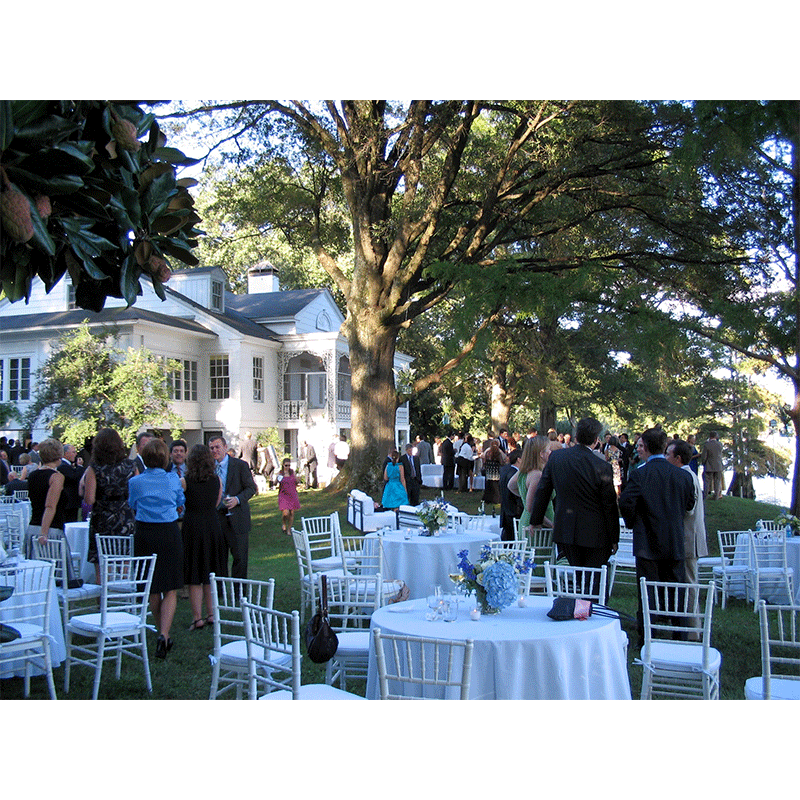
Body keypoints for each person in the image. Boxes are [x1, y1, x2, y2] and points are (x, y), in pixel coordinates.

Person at [618, 427, 695, 645]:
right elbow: (690, 503)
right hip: (674, 540)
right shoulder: (683, 476)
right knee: (676, 590)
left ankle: (647, 637)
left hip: (647, 542)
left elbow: (626, 501)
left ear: (648, 447)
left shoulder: (641, 474)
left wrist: (633, 522)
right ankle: (679, 635)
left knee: (647, 592)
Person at [529, 418, 619, 574]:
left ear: (576, 437)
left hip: (566, 529)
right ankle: (588, 599)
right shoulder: (602, 467)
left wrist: (536, 520)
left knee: (579, 575)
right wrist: (614, 538)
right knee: (593, 580)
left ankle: (579, 599)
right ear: (597, 440)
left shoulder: (557, 458)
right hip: (595, 532)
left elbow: (543, 491)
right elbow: (609, 505)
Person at [128, 438, 185, 658]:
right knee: (170, 586)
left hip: (145, 534)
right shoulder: (173, 479)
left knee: (151, 584)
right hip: (168, 533)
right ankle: (164, 632)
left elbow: (132, 504)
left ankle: (160, 629)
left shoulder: (136, 482)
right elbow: (181, 501)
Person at [82, 428, 137, 585]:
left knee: (102, 568)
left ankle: (103, 604)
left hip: (103, 518)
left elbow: (89, 499)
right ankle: (125, 598)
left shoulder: (94, 468)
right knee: (126, 561)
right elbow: (136, 494)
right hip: (125, 517)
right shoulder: (131, 466)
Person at [666, 438, 708, 634]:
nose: (665, 457)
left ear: (678, 458)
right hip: (688, 538)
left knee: (690, 583)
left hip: (689, 539)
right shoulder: (687, 475)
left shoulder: (687, 477)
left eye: (668, 454)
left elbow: (688, 510)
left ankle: (693, 630)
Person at [24, 437, 80, 585]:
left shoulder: (33, 474)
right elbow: (50, 506)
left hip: (33, 527)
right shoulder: (56, 477)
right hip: (50, 529)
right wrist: (44, 532)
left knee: (36, 579)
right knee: (53, 579)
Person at [182, 443, 224, 631]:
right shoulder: (217, 481)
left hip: (192, 525)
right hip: (211, 525)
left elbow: (180, 503)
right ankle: (212, 614)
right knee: (209, 571)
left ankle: (197, 618)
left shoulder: (184, 481)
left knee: (194, 573)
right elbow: (216, 503)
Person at [209, 434, 257, 579]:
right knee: (218, 558)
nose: (214, 451)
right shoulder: (208, 468)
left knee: (240, 558)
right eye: (211, 448)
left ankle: (239, 593)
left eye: (217, 447)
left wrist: (237, 499)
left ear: (225, 447)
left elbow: (251, 488)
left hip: (237, 517)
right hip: (217, 518)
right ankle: (219, 594)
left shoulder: (240, 465)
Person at [509, 435, 553, 536]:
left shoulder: (524, 471)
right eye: (548, 450)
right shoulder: (537, 475)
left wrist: (524, 496)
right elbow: (531, 507)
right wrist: (552, 525)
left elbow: (511, 485)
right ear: (541, 454)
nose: (550, 452)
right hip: (539, 527)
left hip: (526, 521)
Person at [498, 448, 524, 541]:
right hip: (514, 510)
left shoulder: (505, 470)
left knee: (507, 538)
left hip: (506, 510)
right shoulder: (515, 474)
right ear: (519, 459)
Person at [58, 443, 85, 523]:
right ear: (66, 454)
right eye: (73, 452)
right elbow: (74, 477)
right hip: (69, 502)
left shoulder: (68, 465)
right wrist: (80, 467)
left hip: (72, 502)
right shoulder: (63, 466)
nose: (76, 454)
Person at [276, 457, 301, 535]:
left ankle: (289, 529)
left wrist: (298, 478)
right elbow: (275, 482)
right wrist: (277, 479)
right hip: (284, 495)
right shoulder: (280, 474)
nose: (287, 467)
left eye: (289, 465)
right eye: (286, 465)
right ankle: (284, 523)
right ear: (283, 465)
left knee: (292, 513)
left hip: (292, 494)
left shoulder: (292, 473)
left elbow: (296, 482)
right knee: (285, 513)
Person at [481, 438, 508, 507]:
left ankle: (488, 499)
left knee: (489, 486)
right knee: (496, 487)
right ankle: (497, 499)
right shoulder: (499, 452)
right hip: (496, 473)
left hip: (489, 473)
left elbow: (483, 458)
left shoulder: (487, 452)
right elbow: (503, 461)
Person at [700, 431, 724, 499]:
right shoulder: (720, 444)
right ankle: (716, 496)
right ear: (716, 436)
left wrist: (703, 462)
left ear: (710, 436)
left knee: (707, 481)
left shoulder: (707, 445)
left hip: (709, 465)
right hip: (718, 465)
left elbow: (704, 456)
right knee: (717, 481)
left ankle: (705, 495)